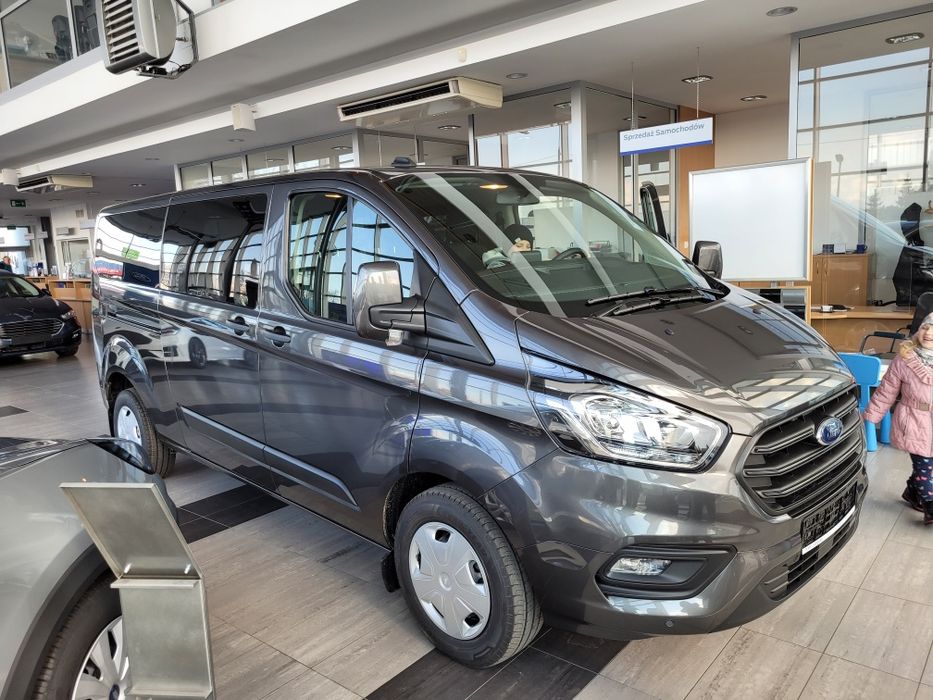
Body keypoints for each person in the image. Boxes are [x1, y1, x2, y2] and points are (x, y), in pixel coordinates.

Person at [864, 312, 933, 525]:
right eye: (925, 327)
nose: (928, 333)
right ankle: (930, 506)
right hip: (914, 421)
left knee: (928, 467)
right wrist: (872, 414)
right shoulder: (905, 358)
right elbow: (887, 390)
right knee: (924, 465)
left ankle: (913, 491)